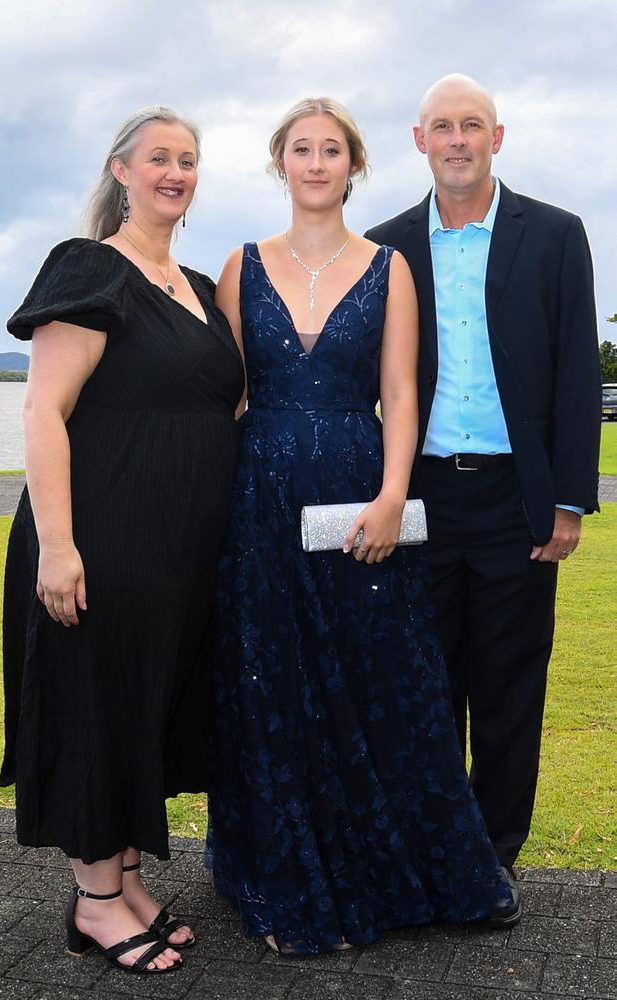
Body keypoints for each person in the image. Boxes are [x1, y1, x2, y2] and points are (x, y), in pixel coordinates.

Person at [205, 97, 515, 957]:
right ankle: (285, 868)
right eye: (300, 149)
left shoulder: (390, 267)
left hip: (358, 491)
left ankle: (392, 863)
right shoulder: (240, 265)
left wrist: (391, 495)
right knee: (274, 684)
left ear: (355, 164)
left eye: (330, 149)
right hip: (260, 500)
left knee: (375, 672)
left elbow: (404, 393)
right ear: (281, 163)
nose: (315, 162)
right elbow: (224, 395)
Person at [0, 106, 244, 974]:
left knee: (140, 706)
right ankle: (98, 903)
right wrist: (59, 547)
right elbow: (43, 411)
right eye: (159, 159)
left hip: (174, 556)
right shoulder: (90, 268)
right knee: (95, 704)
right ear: (121, 170)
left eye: (189, 160)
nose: (176, 173)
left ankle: (123, 882)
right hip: (100, 535)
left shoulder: (194, 284)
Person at [365, 74, 602, 911]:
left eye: (473, 126)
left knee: (509, 686)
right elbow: (368, 381)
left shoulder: (557, 234)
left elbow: (577, 371)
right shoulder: (385, 246)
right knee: (424, 685)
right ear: (418, 139)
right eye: (442, 127)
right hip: (419, 497)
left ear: (497, 139)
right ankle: (430, 847)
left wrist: (569, 499)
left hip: (516, 500)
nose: (457, 140)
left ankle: (493, 859)